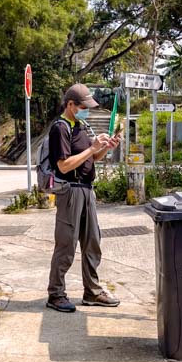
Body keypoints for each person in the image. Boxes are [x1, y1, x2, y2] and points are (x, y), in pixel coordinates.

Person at [45, 83, 122, 313]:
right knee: (66, 244)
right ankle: (56, 294)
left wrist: (105, 147)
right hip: (70, 191)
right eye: (83, 106)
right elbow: (65, 165)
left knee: (92, 242)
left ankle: (93, 291)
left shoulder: (80, 126)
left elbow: (92, 159)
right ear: (70, 105)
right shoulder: (60, 128)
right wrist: (91, 149)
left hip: (87, 190)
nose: (86, 110)